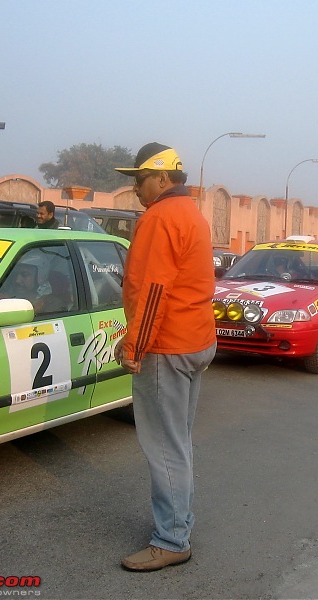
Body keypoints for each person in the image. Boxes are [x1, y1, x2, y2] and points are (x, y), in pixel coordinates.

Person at [113, 142, 216, 572]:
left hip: (166, 347)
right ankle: (180, 523)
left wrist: (135, 347)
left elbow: (153, 290)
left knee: (164, 447)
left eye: (139, 179)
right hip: (194, 342)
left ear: (161, 178)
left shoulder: (160, 217)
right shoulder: (192, 213)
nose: (135, 188)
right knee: (179, 441)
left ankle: (172, 539)